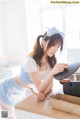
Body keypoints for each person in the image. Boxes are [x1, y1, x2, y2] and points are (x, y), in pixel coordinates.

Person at [0, 27, 68, 119]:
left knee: (15, 114)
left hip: (20, 92)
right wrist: (51, 74)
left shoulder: (50, 61)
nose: (55, 49)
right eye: (53, 45)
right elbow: (40, 87)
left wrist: (43, 94)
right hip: (7, 89)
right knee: (7, 116)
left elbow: (49, 85)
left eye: (58, 46)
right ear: (43, 42)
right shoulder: (30, 61)